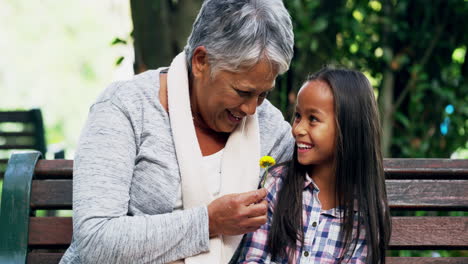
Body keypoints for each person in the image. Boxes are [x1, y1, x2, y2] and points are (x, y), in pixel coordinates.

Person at [59, 0, 294, 263]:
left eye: (263, 94)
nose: (251, 109)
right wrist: (209, 222)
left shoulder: (270, 128)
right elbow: (95, 240)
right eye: (242, 92)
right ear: (201, 61)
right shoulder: (126, 107)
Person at [233, 67, 392, 264]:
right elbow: (253, 259)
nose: (297, 129)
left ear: (349, 128)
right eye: (298, 116)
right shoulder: (277, 184)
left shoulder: (366, 209)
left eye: (313, 119)